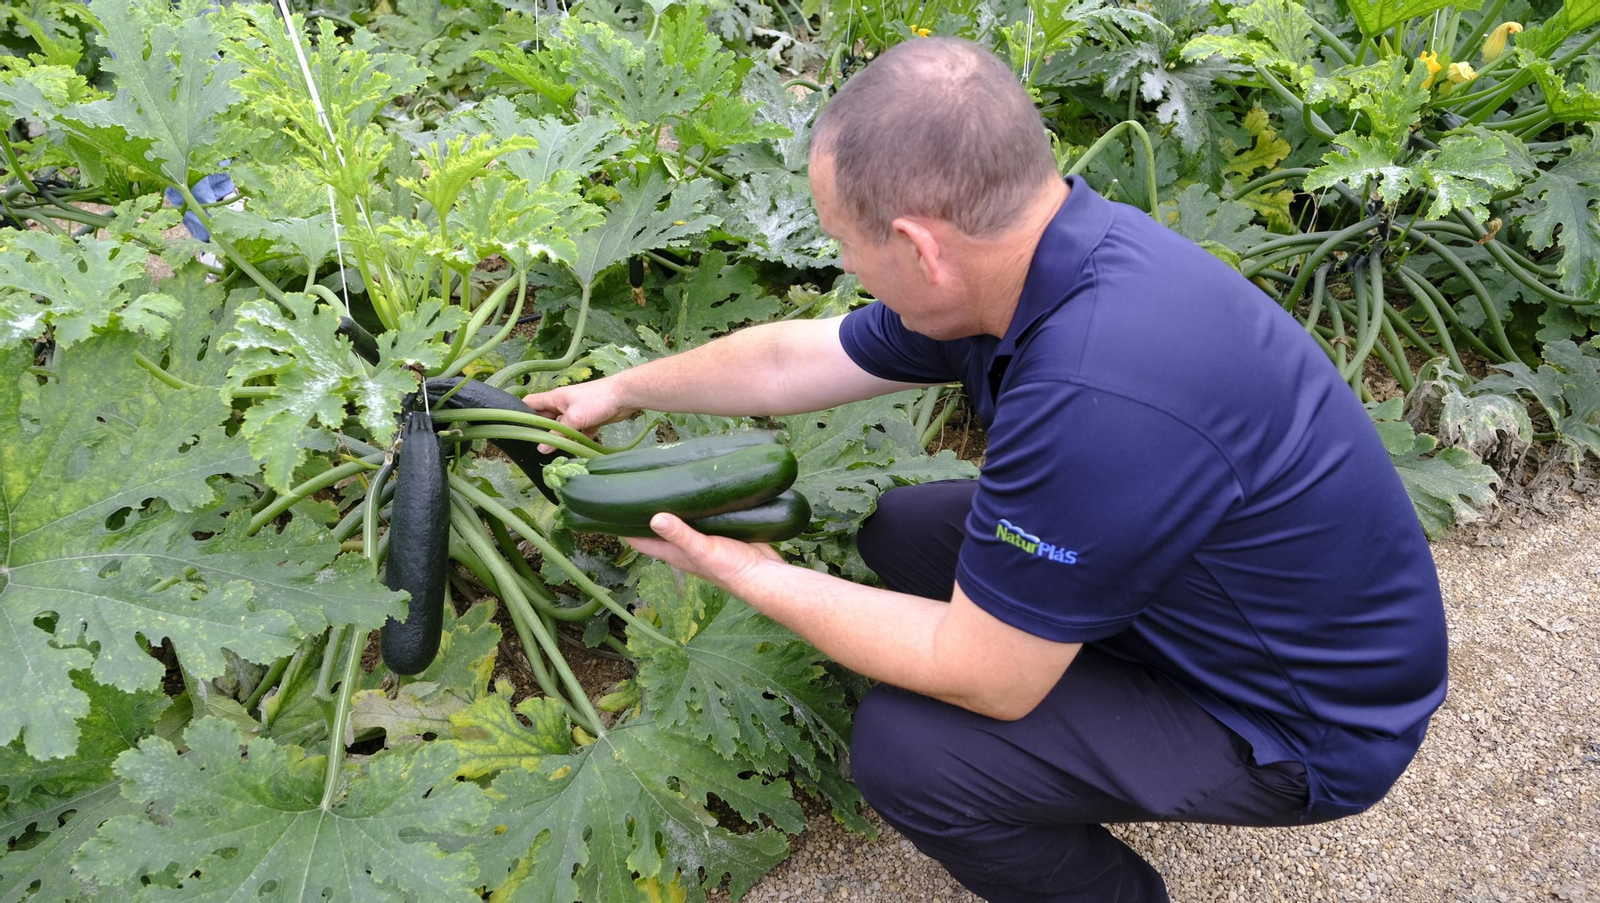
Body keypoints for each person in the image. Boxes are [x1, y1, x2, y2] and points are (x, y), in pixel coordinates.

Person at [523, 36, 1449, 903]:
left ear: (920, 245)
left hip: (1305, 717)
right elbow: (788, 361)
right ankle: (1094, 692)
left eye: (846, 242)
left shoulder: (1096, 393)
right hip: (1232, 599)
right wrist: (625, 389)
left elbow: (987, 676)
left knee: (909, 750)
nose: (843, 263)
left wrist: (753, 574)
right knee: (911, 531)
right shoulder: (1032, 264)